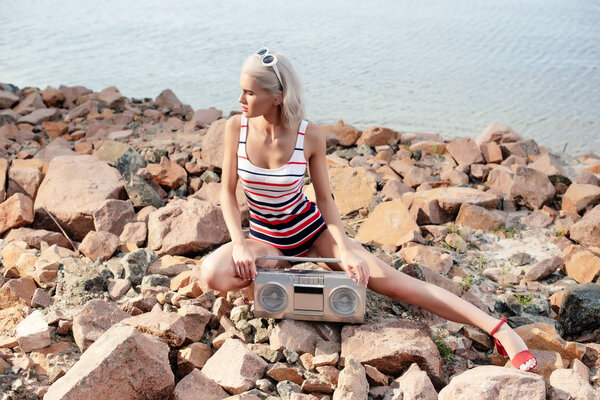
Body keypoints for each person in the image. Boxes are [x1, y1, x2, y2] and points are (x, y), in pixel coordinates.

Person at [201, 47, 537, 372]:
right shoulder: (236, 128)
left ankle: (498, 328)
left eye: (249, 93)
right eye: (241, 91)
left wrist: (345, 251)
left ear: (276, 97)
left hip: (312, 232)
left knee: (393, 283)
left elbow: (325, 200)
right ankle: (284, 276)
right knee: (211, 273)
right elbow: (228, 194)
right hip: (267, 241)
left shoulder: (309, 136)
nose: (240, 100)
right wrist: (240, 243)